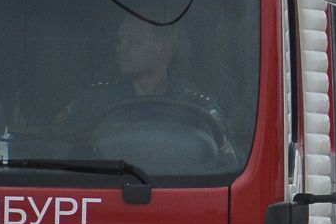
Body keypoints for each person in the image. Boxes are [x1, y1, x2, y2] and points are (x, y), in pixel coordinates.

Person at [57, 16, 222, 138]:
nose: (121, 48)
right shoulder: (95, 100)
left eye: (133, 42)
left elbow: (226, 160)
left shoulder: (197, 107)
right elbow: (63, 146)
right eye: (120, 41)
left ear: (163, 49)